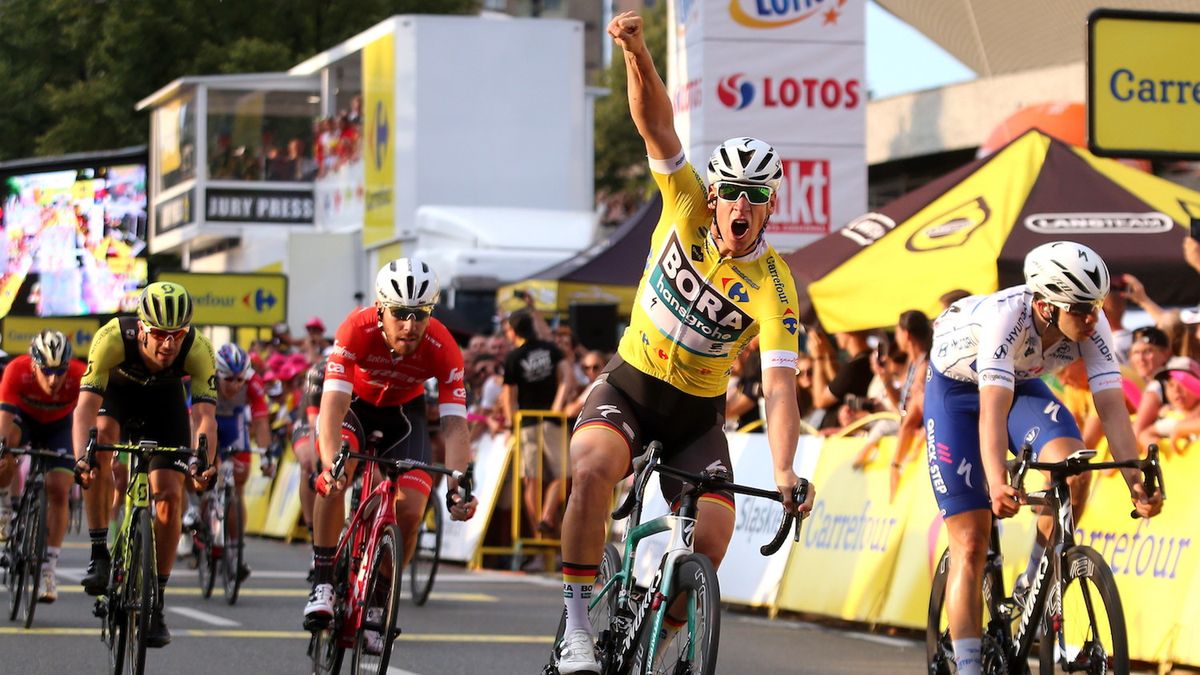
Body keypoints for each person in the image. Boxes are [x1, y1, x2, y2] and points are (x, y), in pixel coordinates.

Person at [556, 12, 817, 673]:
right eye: (730, 192)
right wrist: (636, 51)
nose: (739, 206)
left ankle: (665, 639)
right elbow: (657, 127)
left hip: (694, 418)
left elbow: (779, 386)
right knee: (591, 470)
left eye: (754, 196)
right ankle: (576, 627)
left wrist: (785, 471)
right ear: (715, 193)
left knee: (714, 538)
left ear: (770, 204)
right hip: (630, 388)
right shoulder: (685, 203)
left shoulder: (774, 284)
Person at [924, 241, 1163, 675]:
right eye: (1080, 309)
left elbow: (1112, 408)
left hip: (1019, 382)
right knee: (971, 541)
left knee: (1075, 467)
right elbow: (992, 412)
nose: (1092, 318)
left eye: (1096, 306)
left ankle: (1035, 577)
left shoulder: (1092, 322)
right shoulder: (1006, 319)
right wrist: (997, 481)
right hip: (955, 392)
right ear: (1045, 306)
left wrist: (1135, 481)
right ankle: (970, 666)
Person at [303, 258, 479, 651]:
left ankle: (378, 605)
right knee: (338, 476)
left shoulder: (444, 347)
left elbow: (454, 426)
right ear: (381, 308)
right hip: (354, 408)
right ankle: (324, 580)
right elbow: (332, 406)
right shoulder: (356, 328)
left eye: (420, 315)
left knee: (412, 510)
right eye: (400, 313)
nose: (410, 326)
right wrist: (330, 463)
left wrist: (458, 486)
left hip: (405, 416)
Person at [73, 281, 218, 648]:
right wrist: (82, 458)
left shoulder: (198, 348)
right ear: (141, 328)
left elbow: (205, 418)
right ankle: (98, 552)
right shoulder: (112, 338)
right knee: (99, 445)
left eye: (177, 334)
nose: (168, 344)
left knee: (169, 494)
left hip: (164, 405)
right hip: (117, 396)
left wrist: (204, 464)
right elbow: (85, 409)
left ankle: (156, 602)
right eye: (158, 334)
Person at [0, 331, 85, 602]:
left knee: (59, 489)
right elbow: (4, 419)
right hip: (24, 421)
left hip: (60, 428)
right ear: (34, 365)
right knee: (6, 446)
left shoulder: (79, 374)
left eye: (60, 372)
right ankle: (5, 508)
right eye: (47, 371)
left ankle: (48, 569)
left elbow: (89, 417)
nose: (53, 379)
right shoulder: (16, 370)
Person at [501, 309, 573, 540]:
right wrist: (557, 405)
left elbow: (508, 396)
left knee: (531, 479)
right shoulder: (550, 349)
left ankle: (538, 535)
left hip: (527, 422)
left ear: (513, 331)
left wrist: (510, 424)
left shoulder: (513, 357)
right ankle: (547, 516)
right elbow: (568, 378)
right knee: (563, 474)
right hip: (552, 420)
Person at [210, 343, 273, 581]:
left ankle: (235, 552)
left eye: (240, 380)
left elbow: (261, 422)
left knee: (237, 488)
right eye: (228, 379)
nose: (235, 385)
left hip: (234, 425)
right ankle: (198, 509)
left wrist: (266, 455)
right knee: (203, 467)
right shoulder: (205, 377)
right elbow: (194, 420)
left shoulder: (253, 382)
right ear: (217, 374)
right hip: (208, 419)